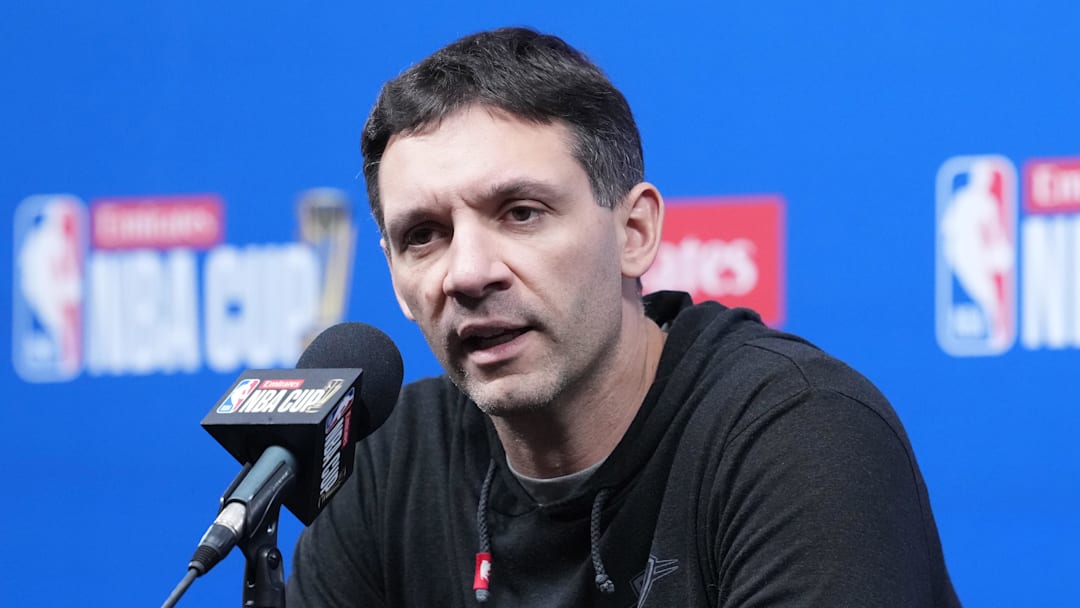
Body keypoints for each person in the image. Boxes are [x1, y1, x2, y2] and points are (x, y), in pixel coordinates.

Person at [287, 27, 961, 607]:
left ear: (633, 232)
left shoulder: (801, 434)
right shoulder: (385, 463)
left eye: (521, 213)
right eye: (424, 236)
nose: (466, 272)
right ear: (398, 283)